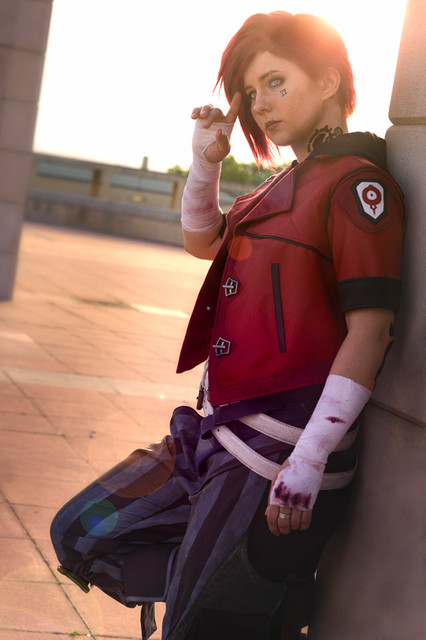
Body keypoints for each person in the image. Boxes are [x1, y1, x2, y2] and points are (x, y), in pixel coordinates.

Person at [50, 11, 405, 640]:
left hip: (275, 453)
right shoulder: (284, 183)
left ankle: (233, 600)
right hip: (213, 430)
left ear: (328, 80)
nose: (259, 105)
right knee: (79, 531)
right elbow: (202, 241)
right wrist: (204, 160)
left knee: (192, 628)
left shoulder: (358, 185)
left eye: (275, 82)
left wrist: (311, 457)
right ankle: (256, 601)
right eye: (250, 91)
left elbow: (370, 331)